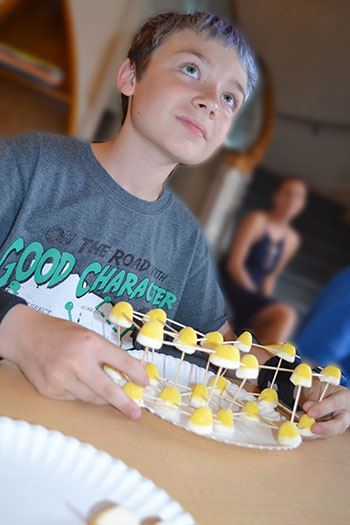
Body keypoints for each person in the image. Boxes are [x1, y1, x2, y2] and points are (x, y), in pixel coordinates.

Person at [0, 11, 348, 437]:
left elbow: (218, 350)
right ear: (130, 76)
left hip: (92, 444)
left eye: (229, 98)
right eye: (190, 69)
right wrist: (15, 327)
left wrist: (308, 385)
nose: (209, 101)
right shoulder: (30, 165)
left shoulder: (184, 242)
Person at [220, 176, 307, 344]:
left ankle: (254, 364)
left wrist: (264, 301)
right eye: (287, 193)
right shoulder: (257, 219)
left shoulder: (292, 239)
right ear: (275, 196)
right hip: (232, 287)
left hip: (254, 296)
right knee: (285, 314)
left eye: (298, 196)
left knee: (272, 324)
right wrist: (257, 299)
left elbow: (270, 277)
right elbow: (234, 264)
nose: (292, 200)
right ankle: (268, 368)